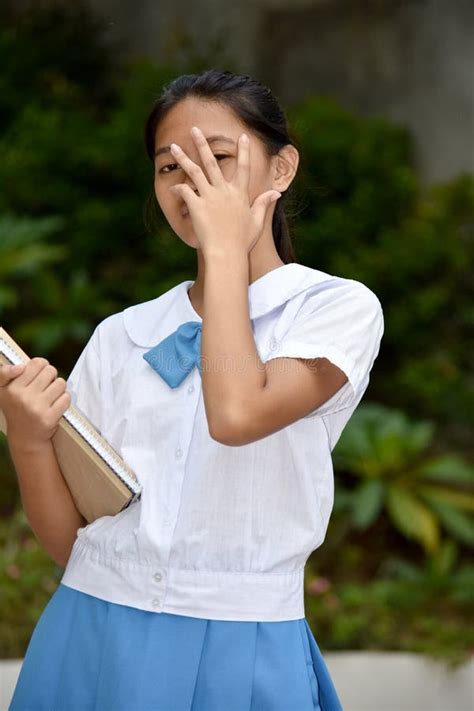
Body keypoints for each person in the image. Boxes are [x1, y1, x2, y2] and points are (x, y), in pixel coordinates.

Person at [3, 68, 384, 711]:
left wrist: (227, 252)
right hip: (90, 633)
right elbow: (76, 543)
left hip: (244, 642)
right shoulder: (124, 333)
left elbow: (236, 414)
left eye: (219, 157)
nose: (191, 184)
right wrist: (30, 437)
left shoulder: (332, 309)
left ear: (281, 169)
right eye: (169, 167)